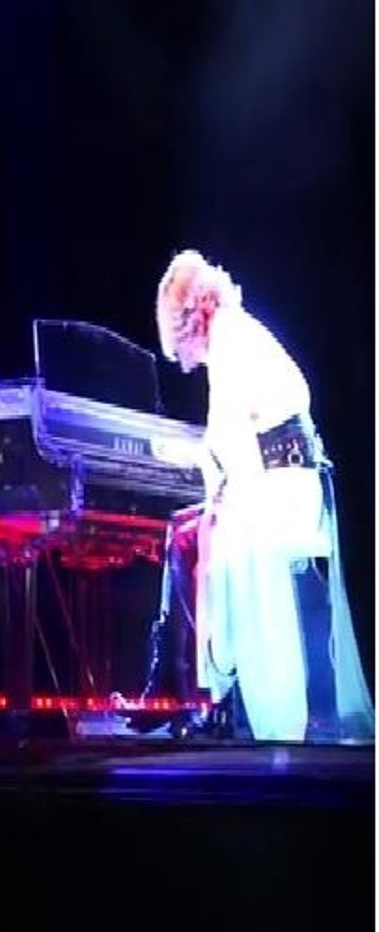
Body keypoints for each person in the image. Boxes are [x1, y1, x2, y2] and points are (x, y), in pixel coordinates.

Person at [153, 250, 373, 742]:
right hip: (287, 484)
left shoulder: (232, 342)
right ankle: (213, 688)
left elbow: (232, 445)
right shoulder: (241, 333)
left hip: (282, 493)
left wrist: (191, 466)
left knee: (195, 542)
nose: (193, 360)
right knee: (199, 534)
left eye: (187, 348)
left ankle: (219, 694)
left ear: (191, 324)